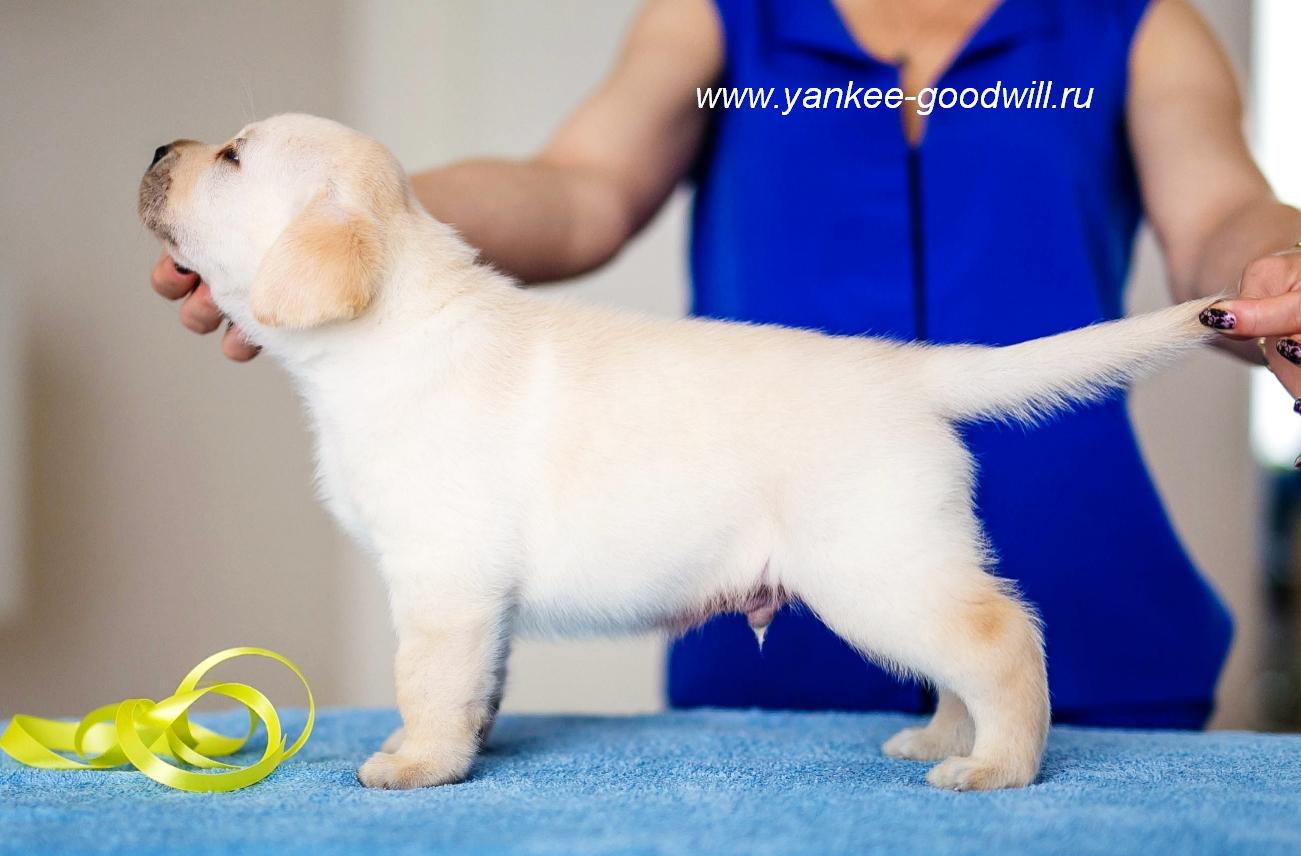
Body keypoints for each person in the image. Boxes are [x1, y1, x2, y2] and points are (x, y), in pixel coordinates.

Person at [151, 0, 1301, 728]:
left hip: (1098, 604)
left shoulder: (1137, 21)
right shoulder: (724, 18)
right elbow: (578, 191)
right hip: (762, 640)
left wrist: (1277, 271)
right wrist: (364, 228)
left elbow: (1217, 218)